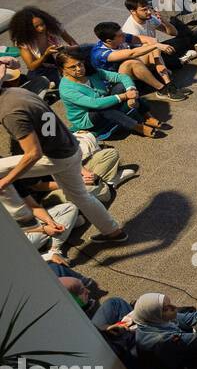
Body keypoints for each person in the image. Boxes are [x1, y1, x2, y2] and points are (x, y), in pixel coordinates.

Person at [0, 73, 127, 243]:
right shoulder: (17, 93)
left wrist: (6, 181)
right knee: (81, 197)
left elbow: (33, 153)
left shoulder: (10, 113)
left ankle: (24, 219)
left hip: (54, 157)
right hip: (70, 148)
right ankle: (113, 232)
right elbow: (48, 124)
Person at [57, 49, 162, 139]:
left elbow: (121, 77)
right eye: (72, 67)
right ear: (62, 69)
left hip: (106, 101)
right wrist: (125, 96)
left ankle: (147, 116)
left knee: (122, 86)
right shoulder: (66, 89)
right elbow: (95, 104)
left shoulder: (91, 71)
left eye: (80, 64)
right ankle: (136, 127)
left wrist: (131, 91)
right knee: (102, 108)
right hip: (88, 117)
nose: (79, 69)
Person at [89, 22, 186, 103]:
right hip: (113, 87)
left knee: (149, 48)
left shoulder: (120, 37)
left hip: (126, 75)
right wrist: (156, 46)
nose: (124, 35)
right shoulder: (100, 53)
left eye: (122, 32)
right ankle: (162, 90)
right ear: (109, 41)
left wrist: (155, 49)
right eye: (120, 35)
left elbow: (149, 40)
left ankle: (169, 84)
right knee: (131, 62)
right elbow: (131, 53)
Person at [9, 7, 79, 93]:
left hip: (59, 59)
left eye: (42, 24)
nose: (41, 28)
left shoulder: (54, 28)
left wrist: (67, 49)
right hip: (40, 66)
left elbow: (74, 44)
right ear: (27, 29)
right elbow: (31, 66)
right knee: (38, 87)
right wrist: (45, 55)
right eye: (36, 27)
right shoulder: (24, 41)